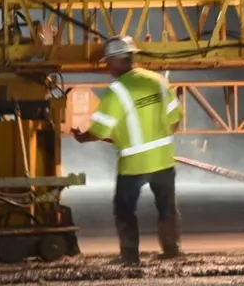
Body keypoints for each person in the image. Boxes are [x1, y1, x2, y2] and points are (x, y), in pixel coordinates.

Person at [73, 36, 183, 266]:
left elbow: (98, 131)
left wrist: (80, 137)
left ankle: (130, 256)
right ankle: (172, 250)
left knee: (124, 210)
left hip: (133, 165)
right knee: (167, 208)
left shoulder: (117, 91)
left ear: (117, 59)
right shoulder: (159, 82)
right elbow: (174, 122)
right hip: (163, 160)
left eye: (108, 62)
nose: (107, 66)